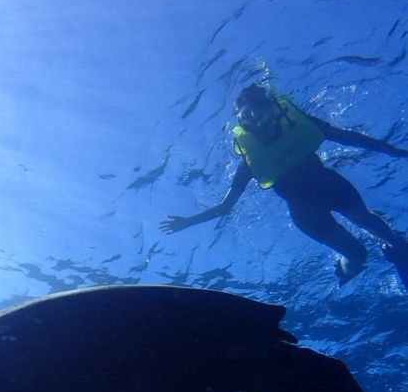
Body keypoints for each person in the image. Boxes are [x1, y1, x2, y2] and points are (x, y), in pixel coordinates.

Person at [160, 83, 408, 287]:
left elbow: (348, 137)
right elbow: (226, 206)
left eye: (260, 114)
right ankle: (344, 272)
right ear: (242, 124)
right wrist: (187, 222)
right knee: (357, 255)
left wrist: (393, 151)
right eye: (247, 118)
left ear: (274, 110)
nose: (258, 125)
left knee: (384, 233)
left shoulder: (299, 123)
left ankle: (393, 247)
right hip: (307, 214)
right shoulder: (248, 159)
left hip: (333, 188)